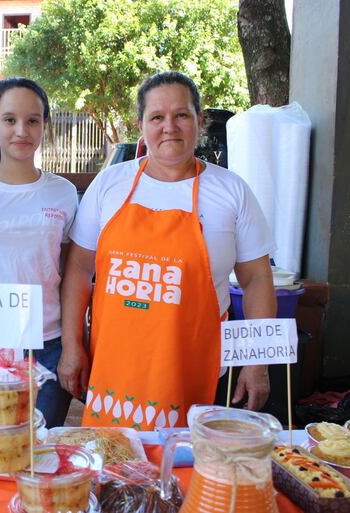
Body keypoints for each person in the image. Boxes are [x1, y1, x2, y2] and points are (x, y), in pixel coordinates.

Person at [58, 71, 276, 429]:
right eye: (157, 117)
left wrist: (256, 365)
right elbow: (80, 268)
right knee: (114, 472)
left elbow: (256, 280)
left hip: (193, 368)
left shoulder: (231, 191)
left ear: (199, 120)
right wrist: (71, 346)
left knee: (185, 475)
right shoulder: (110, 184)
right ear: (141, 124)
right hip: (114, 367)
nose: (169, 127)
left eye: (182, 115)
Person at [0, 77, 78, 428]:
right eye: (9, 120)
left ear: (44, 126)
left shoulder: (63, 193)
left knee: (39, 455)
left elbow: (70, 276)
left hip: (47, 345)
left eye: (32, 120)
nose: (21, 130)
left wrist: (72, 347)